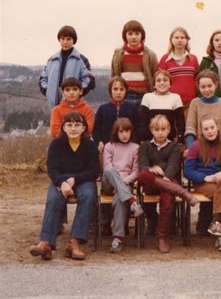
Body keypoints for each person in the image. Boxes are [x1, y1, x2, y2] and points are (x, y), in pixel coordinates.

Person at [29, 112, 99, 261]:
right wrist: (62, 182)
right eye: (69, 125)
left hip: (83, 180)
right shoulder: (56, 144)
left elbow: (94, 171)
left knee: (88, 196)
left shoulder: (90, 145)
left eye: (77, 125)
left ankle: (74, 242)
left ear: (83, 128)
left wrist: (75, 179)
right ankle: (46, 243)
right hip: (60, 180)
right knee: (54, 198)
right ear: (64, 128)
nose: (73, 128)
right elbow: (52, 169)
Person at [137, 115, 198, 253]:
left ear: (168, 130)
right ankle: (183, 193)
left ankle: (162, 238)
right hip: (151, 182)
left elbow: (173, 166)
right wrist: (151, 169)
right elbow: (143, 165)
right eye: (157, 129)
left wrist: (165, 176)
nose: (160, 132)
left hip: (169, 180)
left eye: (163, 129)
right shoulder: (145, 146)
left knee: (168, 196)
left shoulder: (175, 146)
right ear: (151, 130)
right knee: (143, 175)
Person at [184, 115, 221, 251]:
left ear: (218, 128)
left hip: (220, 182)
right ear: (202, 131)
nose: (210, 131)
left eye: (212, 127)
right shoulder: (195, 146)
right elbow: (188, 171)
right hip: (203, 183)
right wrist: (205, 178)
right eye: (206, 129)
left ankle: (216, 224)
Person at [102, 118, 143, 253]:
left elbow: (136, 171)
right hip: (108, 183)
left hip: (126, 183)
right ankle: (132, 201)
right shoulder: (109, 146)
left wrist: (123, 182)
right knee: (109, 170)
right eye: (121, 132)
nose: (124, 134)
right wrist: (118, 181)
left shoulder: (136, 148)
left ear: (131, 132)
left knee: (120, 199)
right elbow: (107, 167)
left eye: (127, 131)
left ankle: (118, 238)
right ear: (116, 132)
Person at [39, 25, 95, 109]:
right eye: (63, 39)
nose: (65, 42)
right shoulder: (52, 60)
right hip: (53, 105)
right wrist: (48, 91)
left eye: (68, 39)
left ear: (74, 40)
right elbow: (43, 78)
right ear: (59, 40)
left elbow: (89, 80)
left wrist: (76, 94)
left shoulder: (81, 60)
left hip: (74, 105)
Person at [111, 20, 158, 107]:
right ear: (125, 36)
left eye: (137, 34)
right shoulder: (118, 54)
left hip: (145, 95)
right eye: (130, 34)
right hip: (125, 95)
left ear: (142, 35)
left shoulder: (150, 55)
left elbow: (155, 76)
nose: (133, 37)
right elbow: (114, 76)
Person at [185, 69, 221, 150]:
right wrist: (191, 148)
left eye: (209, 86)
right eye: (203, 87)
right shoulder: (195, 103)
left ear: (215, 85)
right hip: (199, 149)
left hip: (220, 148)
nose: (207, 90)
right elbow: (190, 129)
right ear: (198, 87)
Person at [159, 27, 200, 116]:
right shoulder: (164, 59)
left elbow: (197, 81)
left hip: (190, 103)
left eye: (182, 37)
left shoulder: (193, 59)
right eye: (176, 37)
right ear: (171, 40)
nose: (179, 40)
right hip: (171, 103)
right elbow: (159, 82)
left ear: (187, 40)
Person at [93, 76, 139, 154]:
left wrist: (133, 143)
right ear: (110, 91)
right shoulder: (103, 109)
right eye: (115, 89)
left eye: (121, 89)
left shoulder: (132, 108)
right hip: (107, 148)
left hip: (128, 148)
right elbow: (96, 130)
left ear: (126, 91)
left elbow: (137, 128)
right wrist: (99, 141)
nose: (118, 92)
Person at [139, 70, 185, 144]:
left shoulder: (175, 97)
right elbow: (143, 122)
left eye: (165, 80)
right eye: (158, 80)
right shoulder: (147, 97)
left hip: (170, 142)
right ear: (154, 85)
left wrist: (181, 141)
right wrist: (143, 141)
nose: (162, 83)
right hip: (150, 142)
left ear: (170, 84)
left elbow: (180, 123)